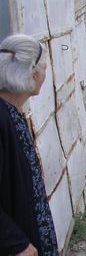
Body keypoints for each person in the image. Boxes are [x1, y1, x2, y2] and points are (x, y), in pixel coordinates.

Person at [0, 34, 59, 255]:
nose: (45, 74)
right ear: (33, 73)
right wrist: (16, 243)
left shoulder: (11, 113)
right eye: (44, 68)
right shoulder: (1, 119)